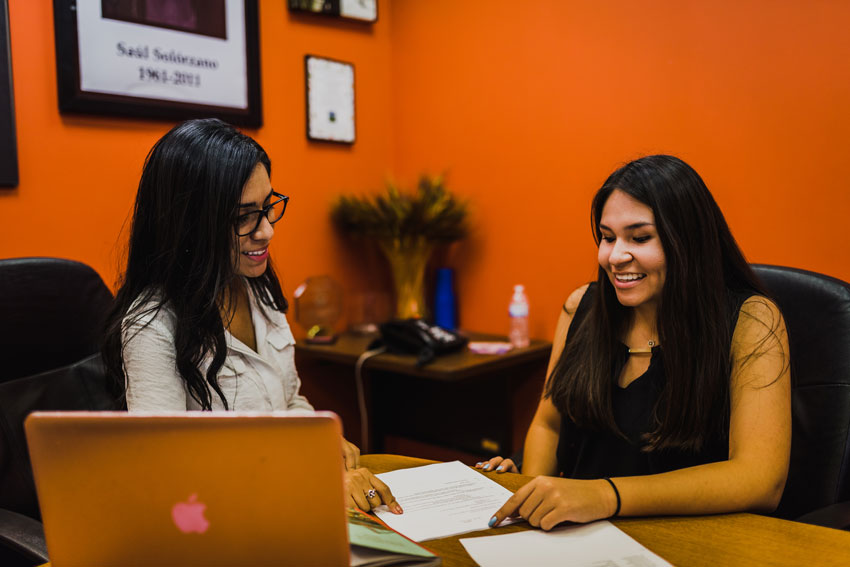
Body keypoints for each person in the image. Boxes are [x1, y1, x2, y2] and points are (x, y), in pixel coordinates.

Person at [102, 118, 401, 515]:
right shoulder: (152, 324)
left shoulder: (256, 286)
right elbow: (168, 468)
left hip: (285, 500)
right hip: (220, 520)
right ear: (190, 224)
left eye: (267, 208)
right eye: (244, 217)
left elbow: (288, 400)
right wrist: (310, 469)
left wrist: (319, 438)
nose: (266, 232)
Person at [477, 154, 790, 529]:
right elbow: (549, 425)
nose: (616, 256)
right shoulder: (582, 307)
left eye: (640, 237)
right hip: (574, 534)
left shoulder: (752, 320)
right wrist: (531, 496)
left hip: (687, 539)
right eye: (607, 238)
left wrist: (606, 495)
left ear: (687, 241)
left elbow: (760, 479)